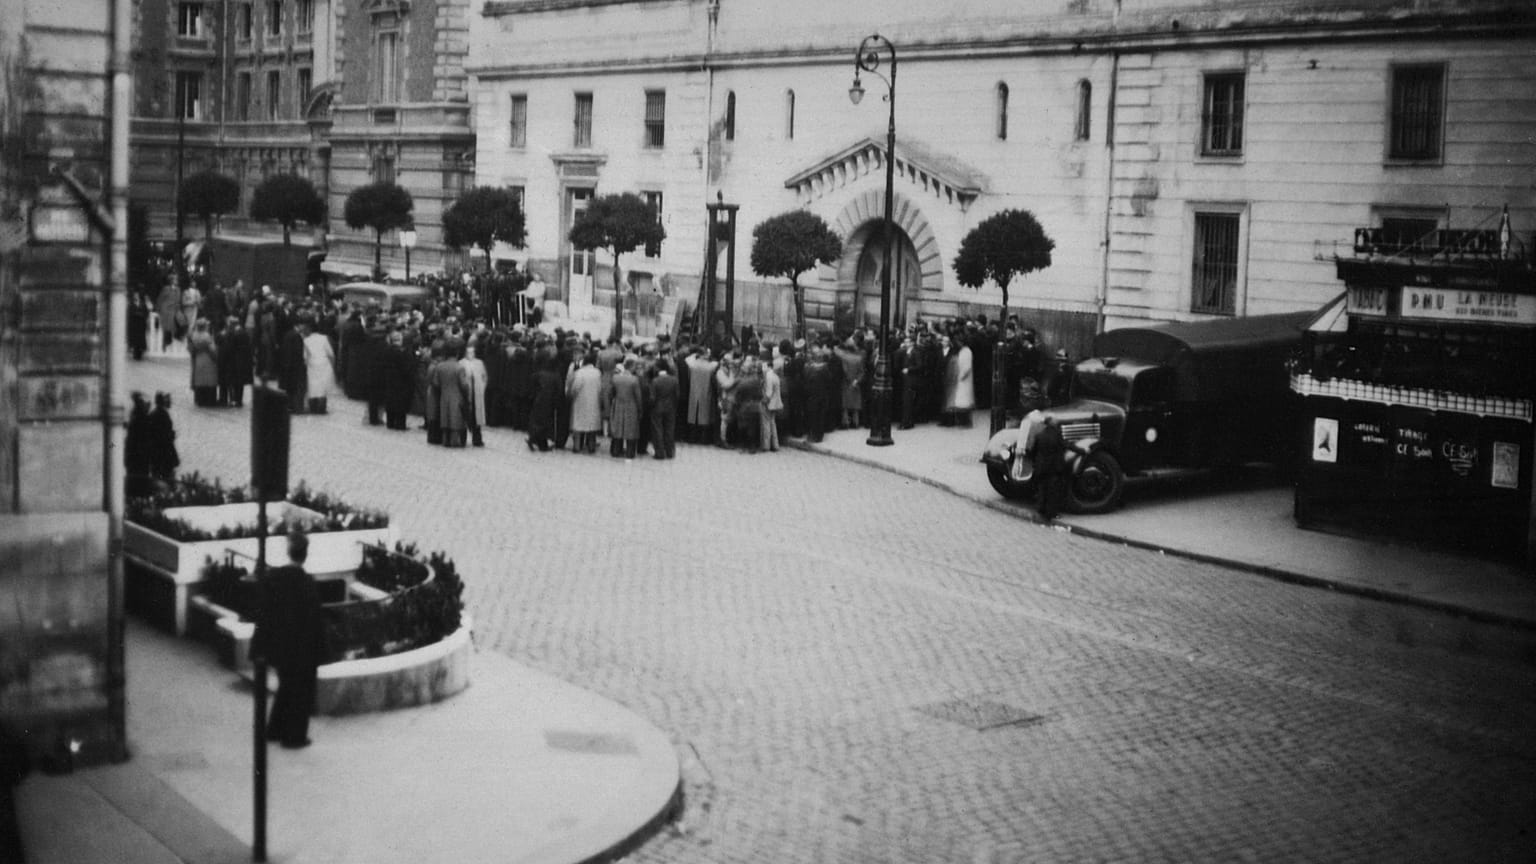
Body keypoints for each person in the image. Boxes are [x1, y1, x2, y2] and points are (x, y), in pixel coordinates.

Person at [252, 532, 326, 749]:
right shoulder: (307, 583)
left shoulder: (274, 578)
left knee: (286, 686)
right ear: (305, 555)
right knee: (300, 692)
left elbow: (264, 612)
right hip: (300, 649)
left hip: (278, 646)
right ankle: (294, 737)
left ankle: (274, 729)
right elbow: (314, 621)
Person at [566, 349, 603, 454]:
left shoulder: (579, 373)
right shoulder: (597, 373)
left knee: (578, 425)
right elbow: (600, 387)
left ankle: (577, 446)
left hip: (580, 401)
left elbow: (575, 388)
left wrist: (571, 395)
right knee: (592, 425)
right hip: (594, 401)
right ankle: (591, 446)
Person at [302, 322, 336, 414]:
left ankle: (313, 407)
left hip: (312, 364)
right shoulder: (324, 338)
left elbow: (304, 356)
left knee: (312, 386)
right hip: (324, 364)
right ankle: (322, 408)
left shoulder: (306, 340)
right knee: (323, 386)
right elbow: (330, 353)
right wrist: (333, 366)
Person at [146, 391, 180, 484]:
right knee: (167, 479)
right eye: (167, 399)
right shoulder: (163, 414)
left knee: (157, 478)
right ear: (162, 401)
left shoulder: (153, 414)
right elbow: (164, 435)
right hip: (164, 454)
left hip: (156, 454)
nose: (169, 401)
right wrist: (171, 435)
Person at [648, 358, 679, 459]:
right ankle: (670, 452)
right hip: (670, 408)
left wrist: (650, 406)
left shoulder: (655, 381)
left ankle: (659, 453)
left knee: (658, 430)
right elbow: (677, 395)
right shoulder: (674, 380)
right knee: (669, 430)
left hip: (657, 408)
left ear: (658, 368)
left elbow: (652, 398)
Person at [460, 343, 488, 447]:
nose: (470, 354)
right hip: (466, 394)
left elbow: (484, 377)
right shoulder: (461, 363)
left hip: (477, 394)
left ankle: (477, 439)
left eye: (472, 352)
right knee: (465, 416)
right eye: (468, 352)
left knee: (477, 418)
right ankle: (462, 439)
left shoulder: (479, 363)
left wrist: (482, 388)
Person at [187, 318, 219, 406]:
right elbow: (212, 349)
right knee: (209, 379)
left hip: (198, 359)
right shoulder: (207, 336)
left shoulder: (194, 335)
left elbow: (190, 348)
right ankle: (210, 400)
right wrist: (216, 357)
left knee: (199, 379)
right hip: (208, 360)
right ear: (205, 326)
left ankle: (199, 399)